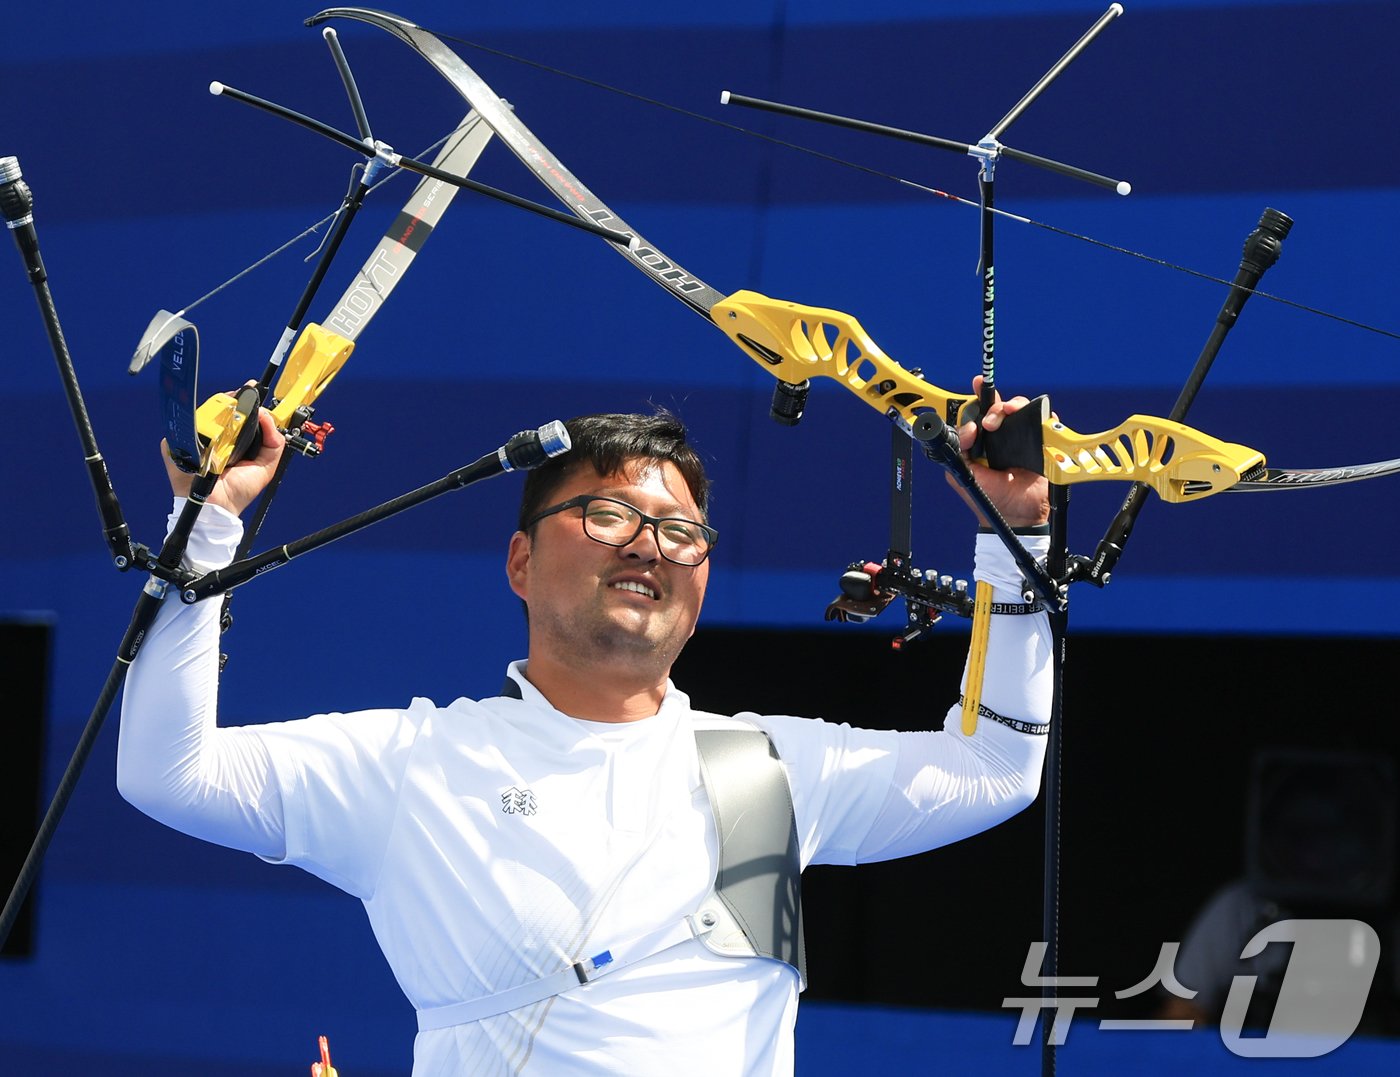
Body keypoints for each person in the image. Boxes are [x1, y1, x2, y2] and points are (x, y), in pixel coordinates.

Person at [118, 387, 1053, 1075]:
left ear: (702, 587)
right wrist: (207, 523)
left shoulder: (763, 767)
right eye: (607, 514)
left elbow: (998, 767)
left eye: (681, 533)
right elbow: (170, 772)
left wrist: (1012, 539)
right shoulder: (422, 763)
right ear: (521, 561)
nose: (649, 544)